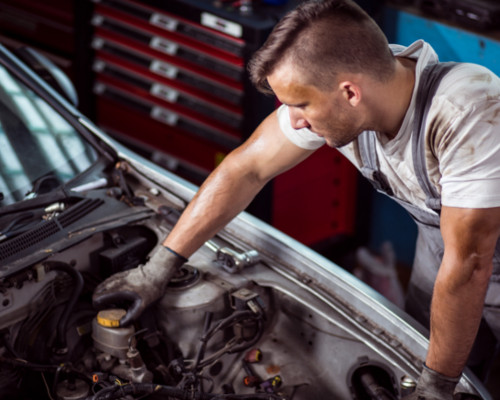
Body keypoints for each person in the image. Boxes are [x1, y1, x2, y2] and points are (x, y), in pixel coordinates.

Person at [93, 0, 500, 398]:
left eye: (300, 105)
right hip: (446, 255)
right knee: (431, 358)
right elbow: (246, 168)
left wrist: (436, 386)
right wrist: (156, 269)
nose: (296, 120)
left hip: (471, 256)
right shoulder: (351, 89)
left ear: (350, 93)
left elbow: (471, 262)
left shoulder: (466, 110)